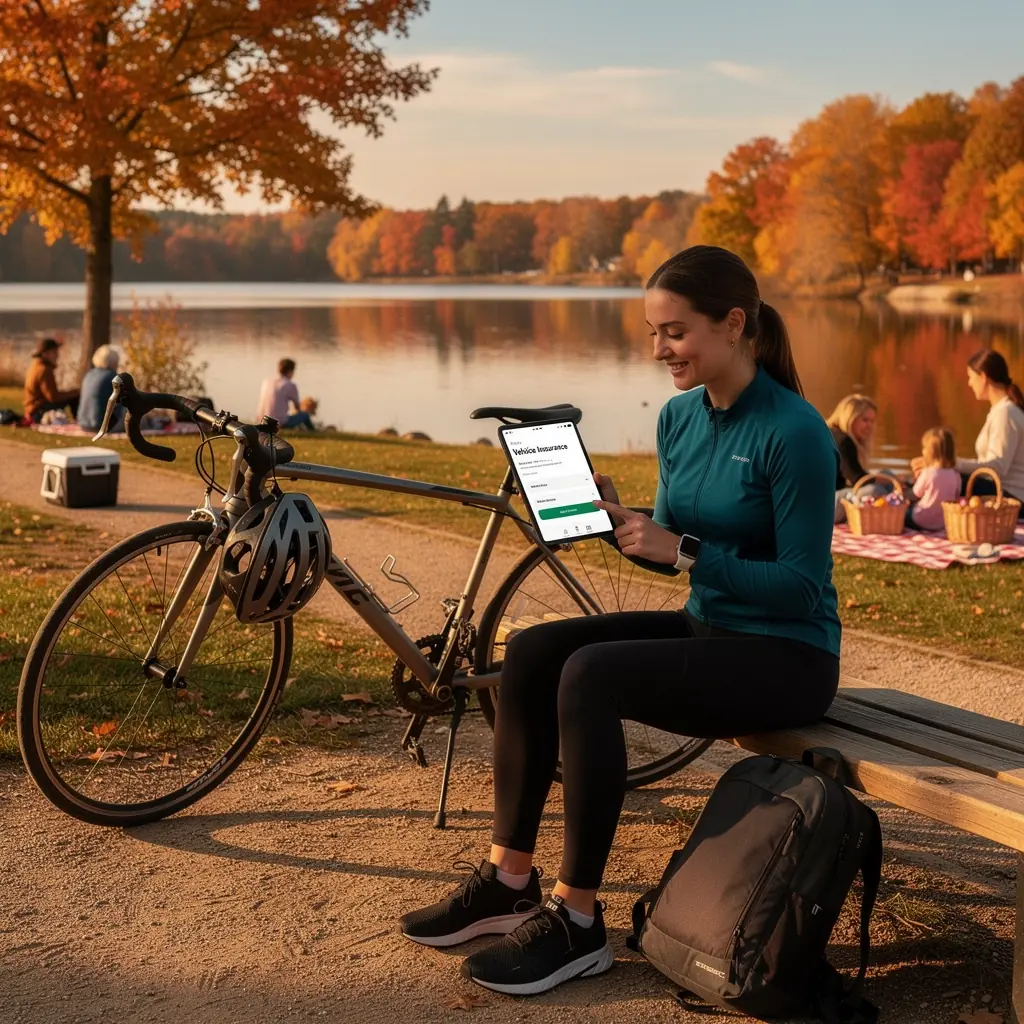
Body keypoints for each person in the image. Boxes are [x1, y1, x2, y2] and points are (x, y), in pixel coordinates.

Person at [398, 245, 842, 997]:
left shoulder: (795, 432)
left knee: (591, 675)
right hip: (712, 633)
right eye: (651, 332)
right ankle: (510, 880)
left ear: (734, 324)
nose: (660, 348)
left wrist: (689, 551)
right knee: (534, 648)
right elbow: (667, 553)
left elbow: (801, 588)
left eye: (675, 331)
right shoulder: (678, 419)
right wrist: (616, 525)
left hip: (787, 659)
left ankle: (576, 922)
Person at [918, 349, 1024, 512]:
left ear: (983, 377)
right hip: (999, 490)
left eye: (970, 377)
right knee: (938, 474)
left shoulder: (1006, 413)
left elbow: (998, 468)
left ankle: (922, 516)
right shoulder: (1000, 411)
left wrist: (950, 464)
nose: (969, 383)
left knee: (945, 478)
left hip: (1011, 499)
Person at [826, 394, 884, 523]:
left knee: (884, 476)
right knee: (874, 490)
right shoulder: (842, 440)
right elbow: (859, 479)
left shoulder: (830, 433)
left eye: (872, 421)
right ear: (850, 418)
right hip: (821, 508)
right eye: (865, 420)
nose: (869, 426)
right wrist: (892, 481)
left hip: (814, 504)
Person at [906, 427, 960, 531]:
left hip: (921, 520)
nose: (922, 451)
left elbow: (914, 495)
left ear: (930, 452)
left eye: (924, 448)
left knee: (905, 511)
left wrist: (902, 494)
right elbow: (955, 497)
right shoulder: (956, 475)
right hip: (943, 523)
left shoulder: (928, 473)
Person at [23, 338, 80, 423]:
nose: (57, 355)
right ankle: (80, 422)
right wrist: (75, 393)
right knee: (75, 397)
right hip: (37, 411)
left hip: (33, 410)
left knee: (72, 395)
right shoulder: (44, 370)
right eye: (54, 352)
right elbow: (53, 397)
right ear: (45, 354)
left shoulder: (36, 366)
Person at [256, 358, 314, 431]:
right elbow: (297, 408)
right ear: (290, 371)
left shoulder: (267, 381)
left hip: (262, 421)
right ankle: (313, 431)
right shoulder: (290, 385)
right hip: (279, 423)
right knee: (305, 415)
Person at [77, 345, 125, 432]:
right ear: (113, 361)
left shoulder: (89, 374)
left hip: (83, 424)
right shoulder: (112, 377)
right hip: (101, 427)